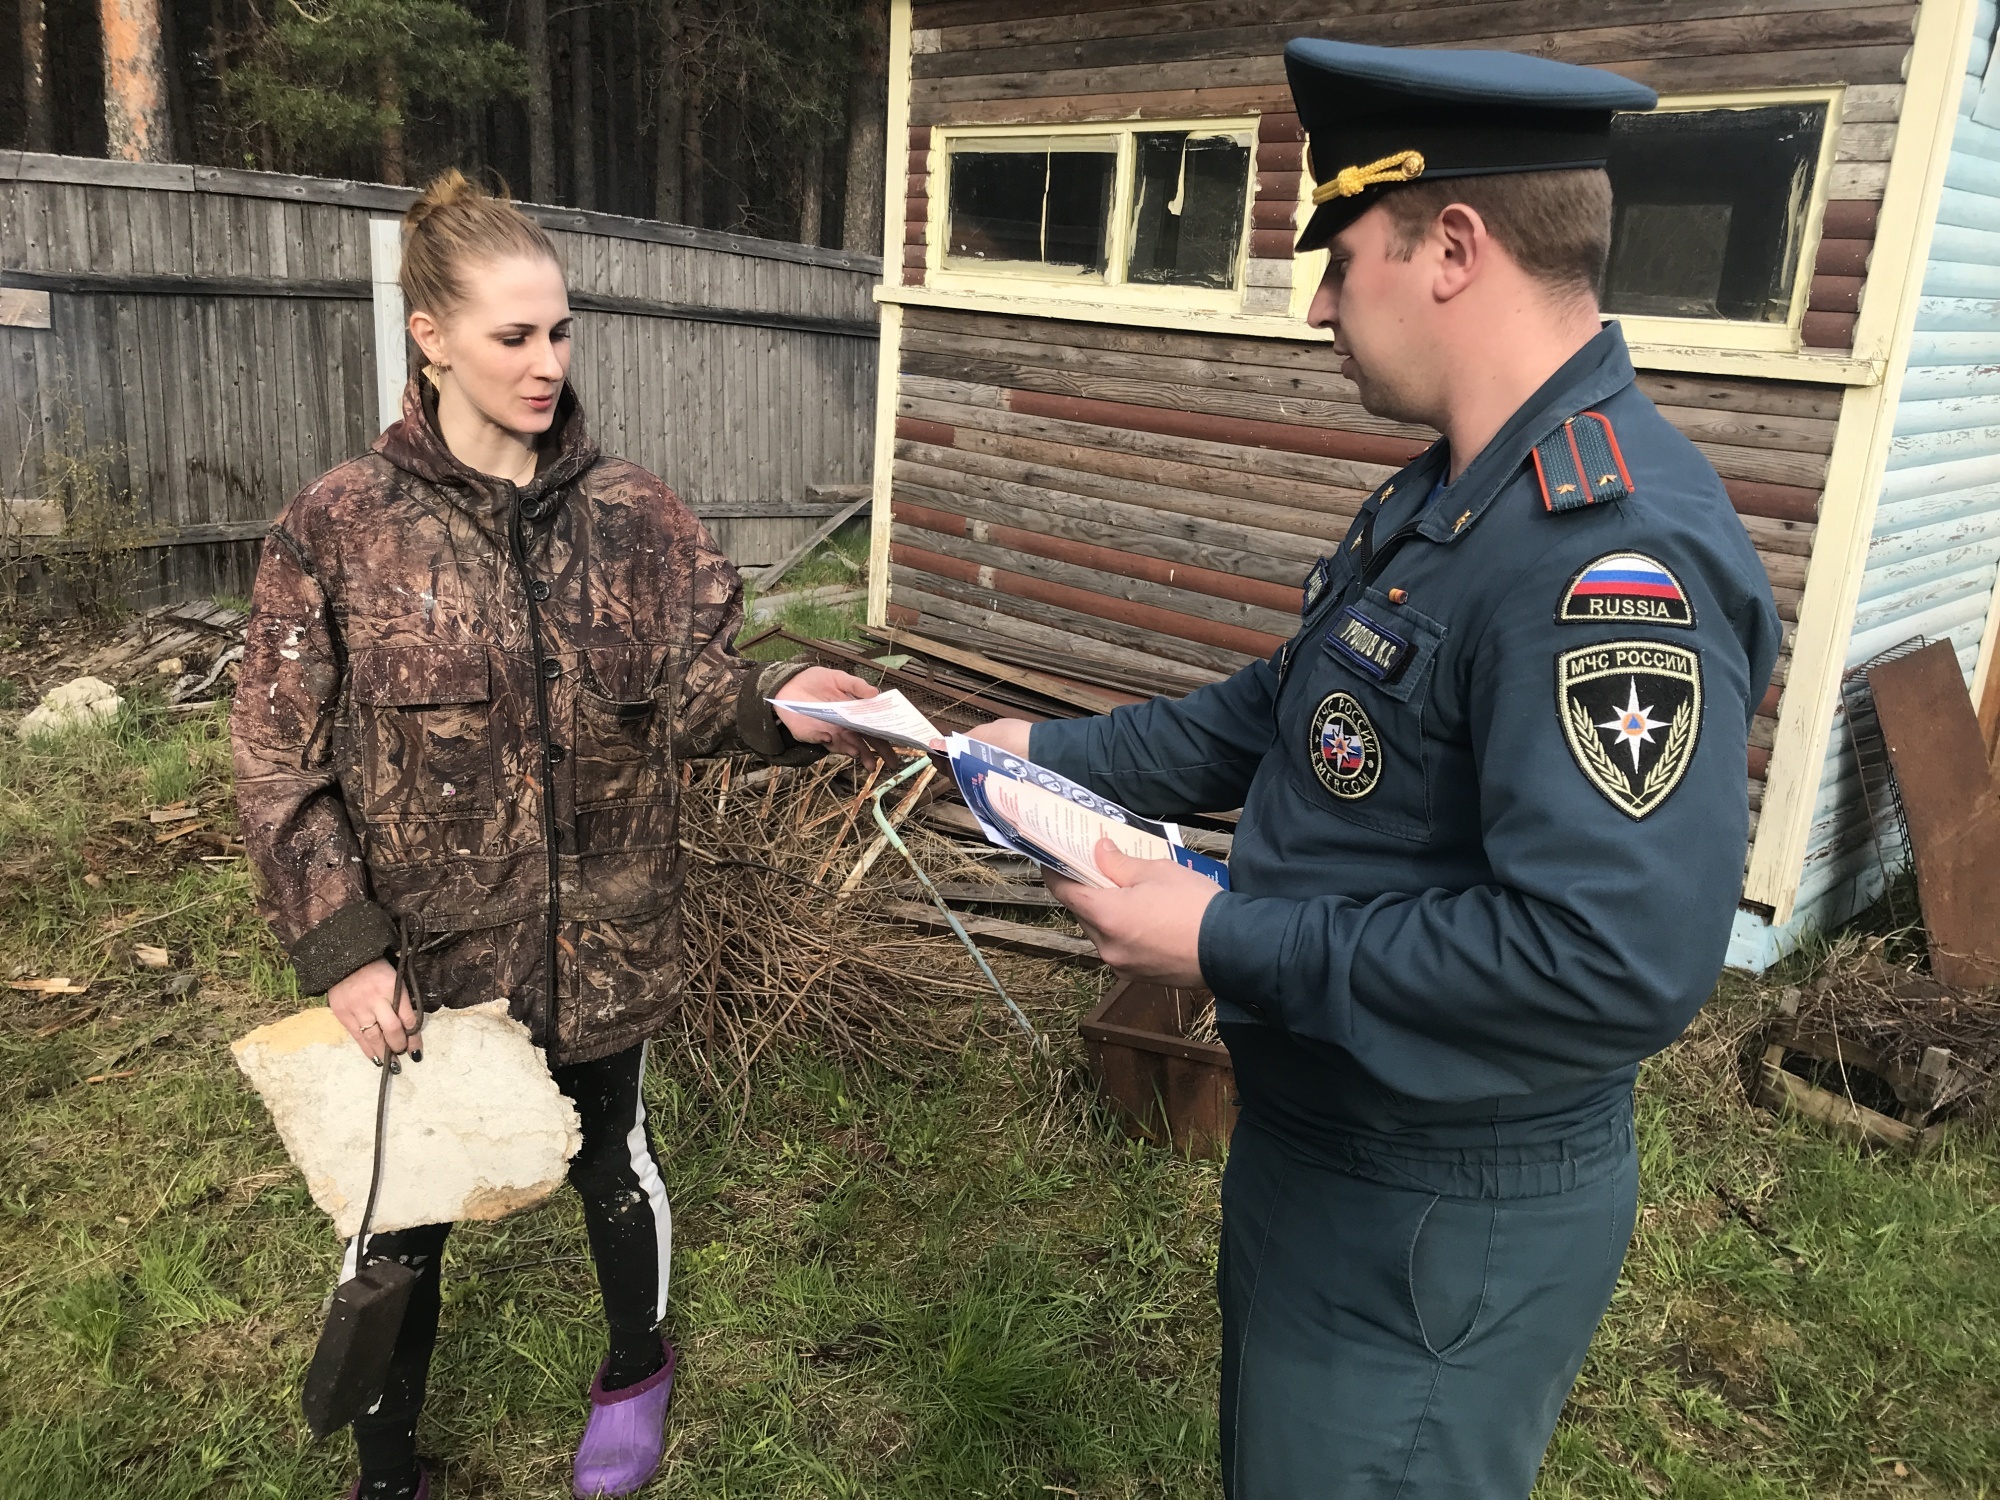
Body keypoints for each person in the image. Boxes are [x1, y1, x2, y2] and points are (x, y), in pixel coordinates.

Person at [971, 40, 1783, 1500]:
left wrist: (1219, 931)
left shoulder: (1604, 558)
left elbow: (1609, 957)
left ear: (1454, 248)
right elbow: (1287, 710)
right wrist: (1031, 752)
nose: (1322, 303)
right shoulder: (1456, 495)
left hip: (1441, 1202)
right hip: (1336, 1148)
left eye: (1342, 257)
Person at [231, 170, 879, 1500]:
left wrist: (783, 711)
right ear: (432, 335)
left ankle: (634, 1366)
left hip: (608, 938)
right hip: (426, 957)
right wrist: (346, 945)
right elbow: (274, 758)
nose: (546, 363)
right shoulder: (339, 526)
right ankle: (387, 1464)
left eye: (561, 332)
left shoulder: (638, 516)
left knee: (611, 1162)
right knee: (405, 1217)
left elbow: (702, 696)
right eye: (512, 336)